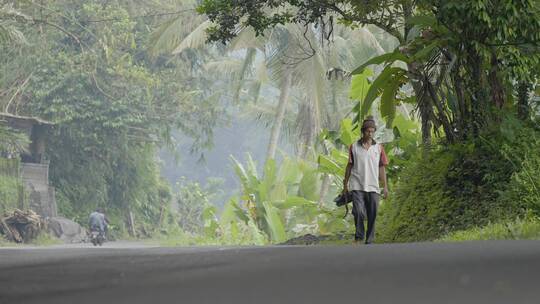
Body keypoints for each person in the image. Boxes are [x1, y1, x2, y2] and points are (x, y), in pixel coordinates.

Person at [343, 116, 389, 244]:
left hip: (373, 186)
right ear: (363, 131)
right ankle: (359, 237)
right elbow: (349, 166)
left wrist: (385, 186)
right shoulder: (354, 147)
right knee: (358, 212)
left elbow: (382, 168)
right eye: (368, 131)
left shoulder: (379, 148)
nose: (370, 134)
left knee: (372, 214)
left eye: (372, 131)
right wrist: (345, 184)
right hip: (357, 185)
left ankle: (370, 240)